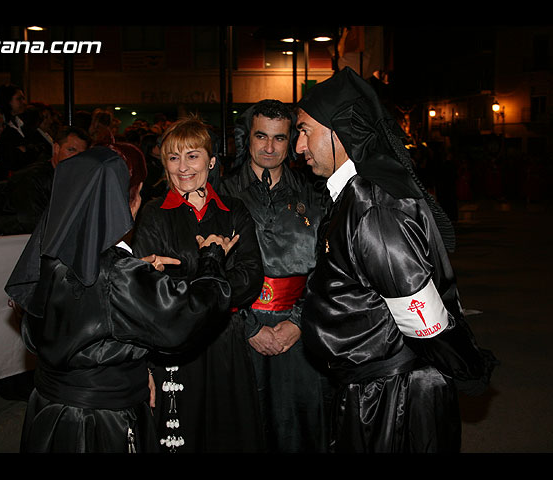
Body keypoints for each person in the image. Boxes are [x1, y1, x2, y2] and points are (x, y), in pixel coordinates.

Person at [295, 67, 497, 453]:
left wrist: (465, 367)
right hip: (375, 388)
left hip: (395, 397)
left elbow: (423, 315)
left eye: (305, 130)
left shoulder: (373, 208)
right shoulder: (355, 197)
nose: (299, 146)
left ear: (339, 129)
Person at [4, 141, 237, 453]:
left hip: (50, 409)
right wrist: (211, 258)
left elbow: (82, 309)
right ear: (129, 199)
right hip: (100, 422)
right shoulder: (117, 274)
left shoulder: (49, 254)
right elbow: (187, 315)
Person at [132, 114, 265, 453]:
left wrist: (188, 289)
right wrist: (215, 278)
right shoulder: (154, 213)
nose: (183, 167)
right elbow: (148, 286)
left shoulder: (234, 210)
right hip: (174, 346)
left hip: (225, 342)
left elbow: (250, 277)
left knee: (228, 433)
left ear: (211, 161)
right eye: (173, 157)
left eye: (192, 156)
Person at [219, 99, 331, 453]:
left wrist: (298, 321)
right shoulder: (220, 195)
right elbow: (207, 273)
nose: (269, 147)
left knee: (300, 428)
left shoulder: (316, 196)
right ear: (246, 138)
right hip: (235, 328)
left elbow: (329, 268)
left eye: (280, 138)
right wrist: (249, 326)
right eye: (261, 136)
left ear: (291, 142)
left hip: (301, 331)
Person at [0, 126, 90, 235]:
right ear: (56, 148)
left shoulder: (78, 180)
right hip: (15, 242)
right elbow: (34, 224)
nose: (76, 157)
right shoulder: (32, 179)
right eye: (71, 150)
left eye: (81, 154)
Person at [0, 83, 29, 179]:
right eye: (19, 99)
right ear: (7, 101)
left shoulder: (21, 123)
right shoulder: (2, 126)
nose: (23, 102)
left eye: (23, 98)